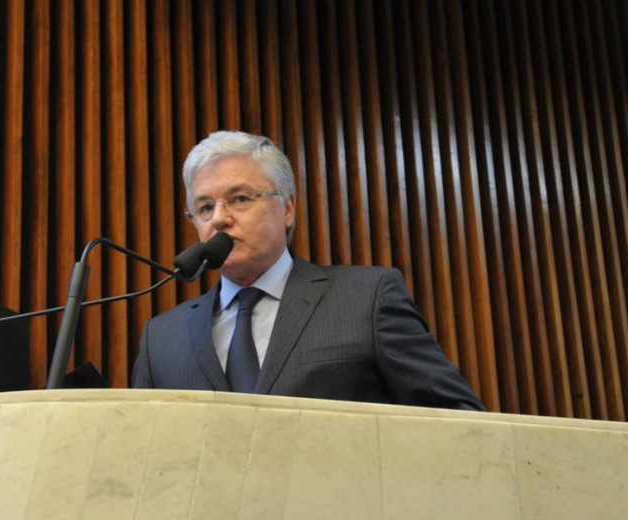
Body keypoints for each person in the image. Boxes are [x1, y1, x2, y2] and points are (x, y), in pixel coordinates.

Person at [131, 131, 484, 410]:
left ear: (286, 208)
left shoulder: (367, 298)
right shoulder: (162, 337)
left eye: (240, 199)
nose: (219, 218)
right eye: (204, 207)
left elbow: (455, 417)